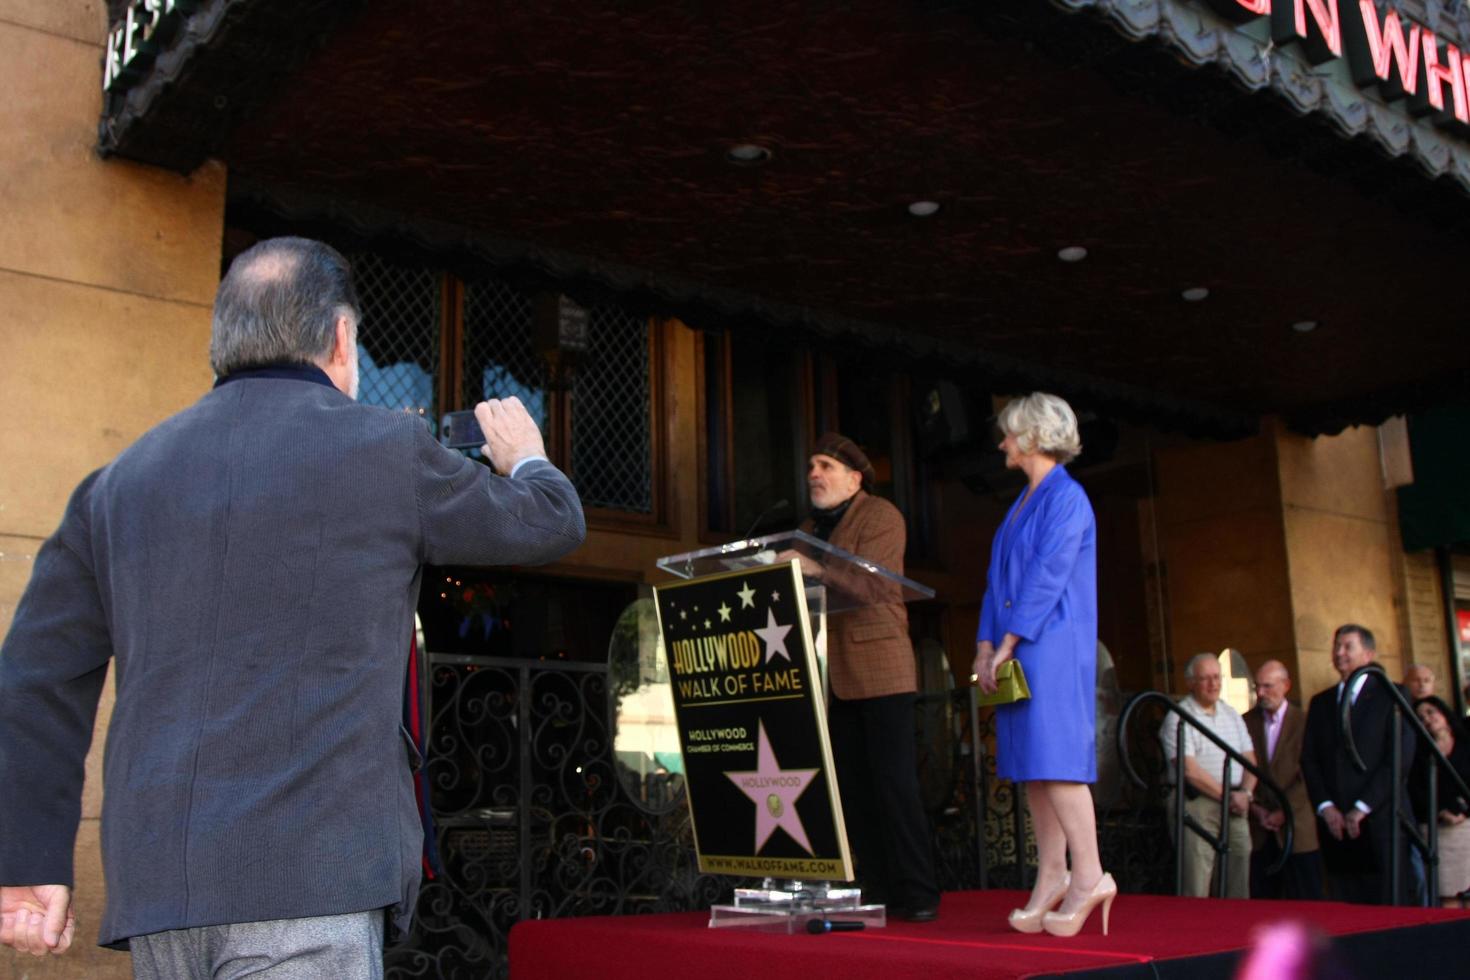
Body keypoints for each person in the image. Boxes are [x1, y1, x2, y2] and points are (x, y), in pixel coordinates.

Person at [0, 238, 586, 973]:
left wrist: (26, 859)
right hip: (310, 878)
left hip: (160, 897)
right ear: (342, 339)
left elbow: (33, 677)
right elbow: (549, 522)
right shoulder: (383, 448)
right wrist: (525, 455)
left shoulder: (115, 485)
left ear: (224, 342)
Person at [782, 432, 941, 922]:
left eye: (826, 466)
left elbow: (876, 585)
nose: (814, 473)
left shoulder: (881, 516)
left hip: (880, 670)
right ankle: (875, 889)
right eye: (811, 464)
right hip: (830, 674)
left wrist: (813, 568)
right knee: (851, 788)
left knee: (894, 785)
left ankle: (917, 894)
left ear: (855, 479)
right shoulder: (809, 527)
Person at [972, 392, 1113, 937]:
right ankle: (1053, 874)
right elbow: (994, 583)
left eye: (1009, 433)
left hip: (1050, 646)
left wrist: (1008, 640)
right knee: (1033, 769)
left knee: (1057, 763)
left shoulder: (1067, 498)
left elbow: (1049, 576)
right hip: (1019, 644)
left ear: (1032, 437)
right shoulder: (1021, 503)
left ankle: (1091, 875)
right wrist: (986, 643)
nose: (1002, 441)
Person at [1300, 624, 1417, 905]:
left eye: (1347, 646)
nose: (1339, 653)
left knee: (1389, 903)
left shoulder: (1393, 696)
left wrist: (1361, 808)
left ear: (1368, 654)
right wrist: (1326, 807)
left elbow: (1398, 759)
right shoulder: (1321, 702)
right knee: (1346, 903)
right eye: (1336, 646)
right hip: (1336, 826)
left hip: (1381, 820)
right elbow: (1309, 759)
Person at [1159, 653, 1258, 898]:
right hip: (1198, 804)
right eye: (1205, 679)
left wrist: (1245, 794)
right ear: (1191, 682)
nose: (1213, 684)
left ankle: (1237, 928)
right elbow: (1189, 770)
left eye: (1217, 677)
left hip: (1235, 802)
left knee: (1238, 870)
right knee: (1197, 877)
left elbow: (1250, 760)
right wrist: (1227, 797)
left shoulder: (1231, 713)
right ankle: (1196, 933)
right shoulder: (1178, 717)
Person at [1243, 660, 1323, 900]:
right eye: (1257, 687)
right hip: (1259, 829)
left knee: (1305, 899)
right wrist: (1255, 808)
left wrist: (1284, 811)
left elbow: (1311, 774)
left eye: (1268, 686)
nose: (1261, 693)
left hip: (1297, 828)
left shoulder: (1305, 722)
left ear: (1286, 685)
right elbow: (1240, 768)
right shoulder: (1246, 722)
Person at [1409, 696, 1470, 905]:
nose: (1427, 718)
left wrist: (1464, 812)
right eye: (1421, 717)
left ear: (1444, 713)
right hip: (1436, 829)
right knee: (1447, 895)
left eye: (1431, 712)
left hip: (1467, 825)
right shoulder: (1418, 752)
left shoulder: (1465, 743)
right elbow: (1414, 791)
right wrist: (1440, 812)